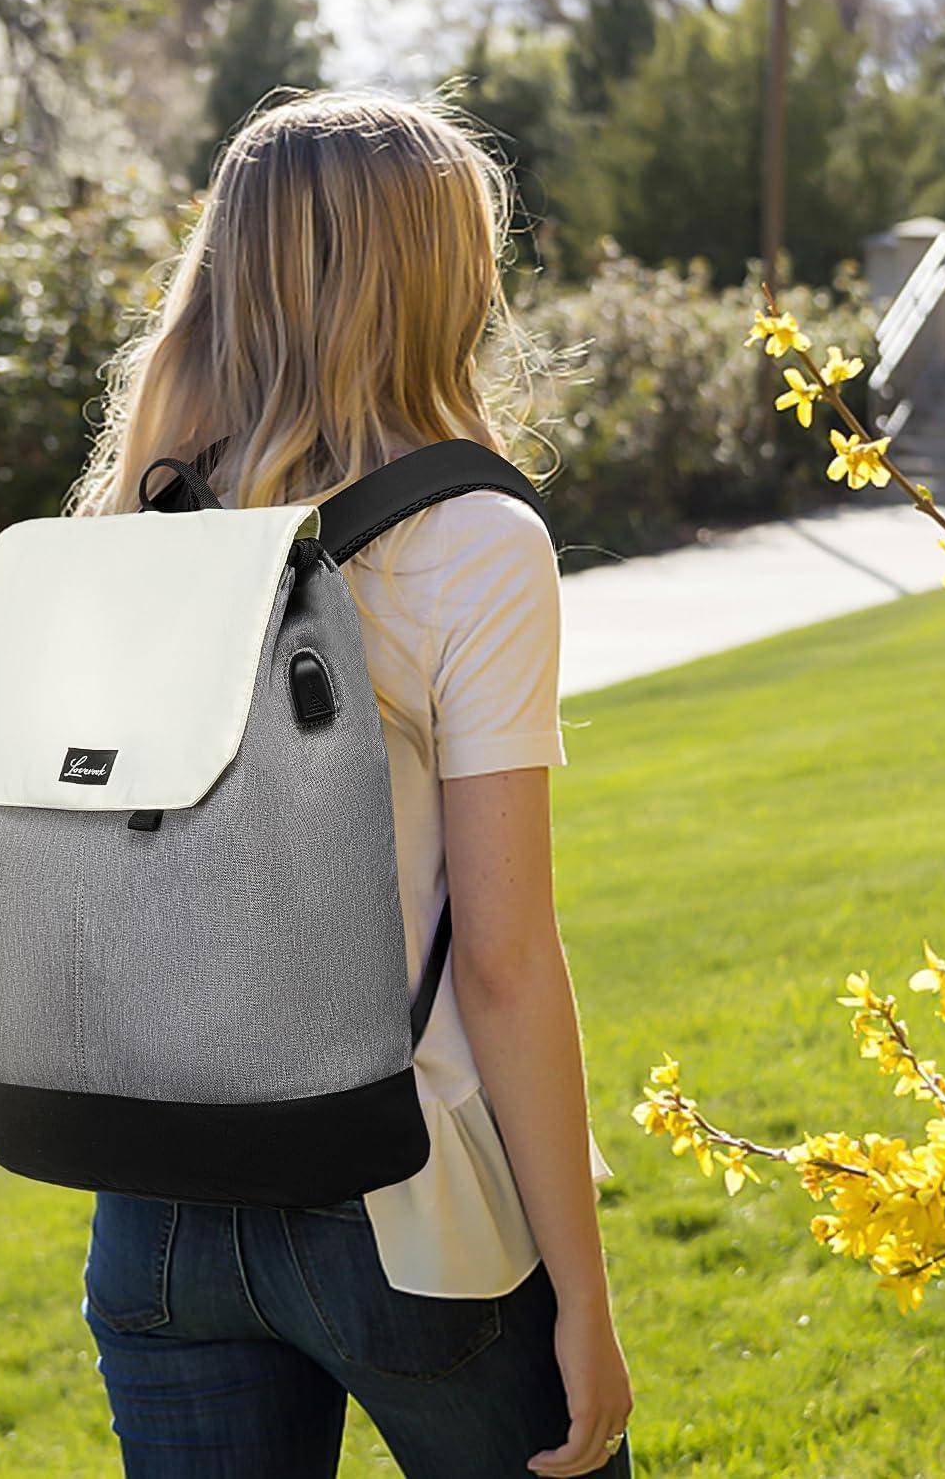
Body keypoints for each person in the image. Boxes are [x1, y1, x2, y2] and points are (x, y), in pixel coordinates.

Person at [63, 87, 633, 1479]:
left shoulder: (133, 524)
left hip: (157, 1206)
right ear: (439, 275)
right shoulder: (472, 537)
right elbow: (500, 965)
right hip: (403, 1204)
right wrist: (586, 1300)